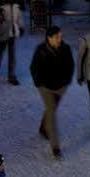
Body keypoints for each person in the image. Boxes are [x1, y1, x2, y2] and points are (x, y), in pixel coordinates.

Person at [30, 25, 75, 158]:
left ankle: (43, 127)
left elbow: (71, 66)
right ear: (49, 38)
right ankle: (55, 147)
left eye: (61, 36)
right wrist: (38, 83)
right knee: (51, 112)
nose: (59, 39)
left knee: (52, 109)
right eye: (57, 37)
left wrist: (66, 81)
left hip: (61, 87)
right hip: (46, 88)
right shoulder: (41, 50)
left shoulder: (66, 49)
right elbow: (33, 67)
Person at [0, 0, 22, 85]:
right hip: (3, 32)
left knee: (12, 55)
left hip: (12, 32)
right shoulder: (0, 5)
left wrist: (21, 27)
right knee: (0, 51)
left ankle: (11, 76)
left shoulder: (17, 5)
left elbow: (19, 17)